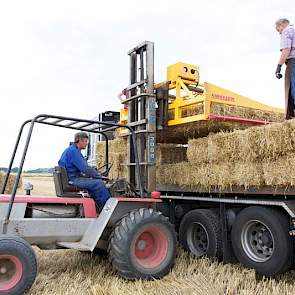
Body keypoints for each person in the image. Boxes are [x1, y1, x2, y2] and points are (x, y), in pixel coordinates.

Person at [58, 132, 110, 208]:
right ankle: (107, 208)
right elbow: (85, 168)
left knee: (92, 182)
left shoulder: (71, 150)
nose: (86, 144)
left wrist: (91, 175)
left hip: (71, 177)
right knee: (99, 183)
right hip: (72, 179)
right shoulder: (73, 152)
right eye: (85, 141)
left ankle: (97, 206)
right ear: (79, 141)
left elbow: (80, 168)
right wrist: (99, 176)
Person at [275, 18, 295, 119]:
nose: (279, 33)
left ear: (281, 25)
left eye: (278, 30)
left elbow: (286, 50)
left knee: (291, 88)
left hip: (293, 62)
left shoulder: (286, 31)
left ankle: (292, 116)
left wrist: (279, 66)